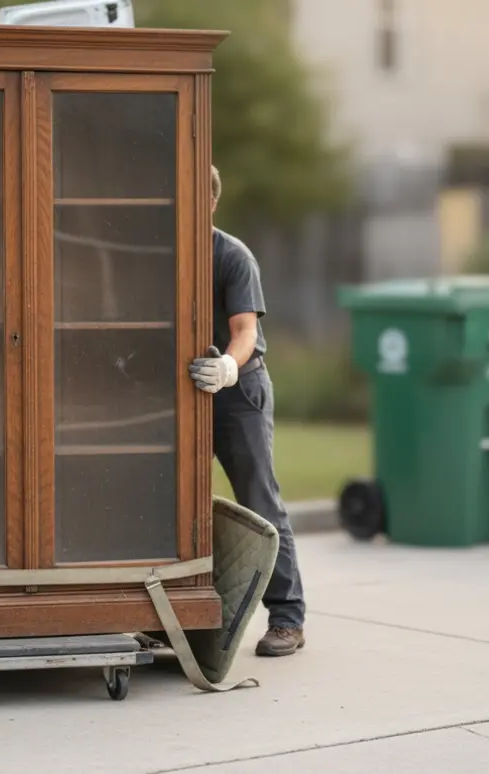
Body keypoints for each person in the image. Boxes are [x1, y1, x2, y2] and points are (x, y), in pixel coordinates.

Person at [189, 165, 306, 657]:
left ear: (211, 203)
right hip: (182, 389)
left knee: (260, 498)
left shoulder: (231, 256)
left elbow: (244, 331)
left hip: (238, 392)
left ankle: (287, 618)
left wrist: (228, 369)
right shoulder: (162, 251)